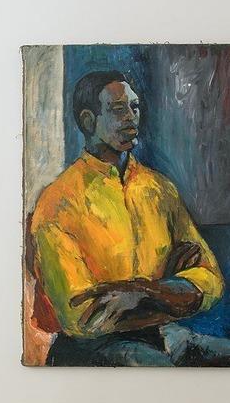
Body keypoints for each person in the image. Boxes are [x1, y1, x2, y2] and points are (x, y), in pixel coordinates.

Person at [30, 70, 226, 366]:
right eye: (118, 109)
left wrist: (133, 294)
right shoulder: (59, 201)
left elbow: (211, 279)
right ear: (87, 120)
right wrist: (173, 290)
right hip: (93, 347)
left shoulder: (159, 189)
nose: (131, 117)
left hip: (165, 334)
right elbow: (80, 317)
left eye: (134, 107)